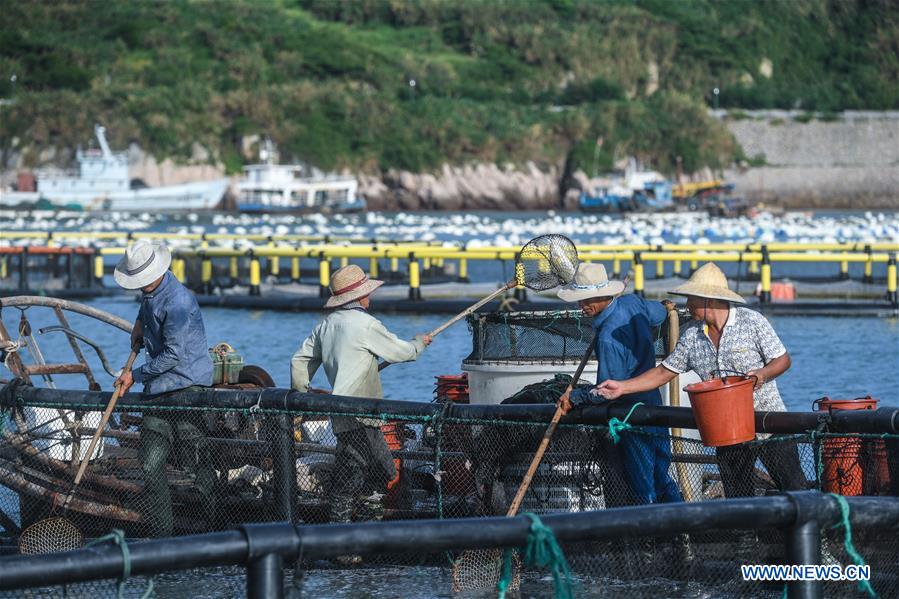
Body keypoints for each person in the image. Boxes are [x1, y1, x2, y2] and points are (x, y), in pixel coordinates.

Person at [596, 262, 806, 498]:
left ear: (708, 300)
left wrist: (761, 374)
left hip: (769, 421)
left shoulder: (752, 321)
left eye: (691, 299)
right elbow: (664, 372)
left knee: (794, 487)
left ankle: (815, 532)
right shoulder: (692, 335)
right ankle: (744, 535)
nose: (687, 305)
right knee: (738, 497)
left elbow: (782, 359)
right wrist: (622, 387)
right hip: (728, 430)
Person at [291, 264, 432, 526]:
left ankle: (345, 536)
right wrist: (419, 342)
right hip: (364, 414)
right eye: (368, 291)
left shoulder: (326, 325)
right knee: (383, 471)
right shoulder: (366, 325)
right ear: (359, 296)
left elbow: (299, 362)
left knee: (352, 470)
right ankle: (364, 535)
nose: (370, 296)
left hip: (340, 412)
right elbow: (402, 353)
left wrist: (302, 394)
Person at [556, 262, 682, 505]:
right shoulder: (633, 304)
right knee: (661, 477)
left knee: (642, 485)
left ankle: (646, 537)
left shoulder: (607, 338)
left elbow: (606, 391)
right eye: (580, 300)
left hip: (630, 414)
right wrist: (665, 308)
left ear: (605, 295)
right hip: (654, 406)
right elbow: (660, 312)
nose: (583, 306)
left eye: (587, 300)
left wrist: (575, 398)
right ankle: (678, 534)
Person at [113, 240, 215, 537]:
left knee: (194, 461)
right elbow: (147, 315)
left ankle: (212, 524)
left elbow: (174, 355)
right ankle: (163, 533)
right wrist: (138, 325)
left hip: (187, 387)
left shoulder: (178, 302)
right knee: (150, 462)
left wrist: (134, 375)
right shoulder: (149, 295)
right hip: (159, 389)